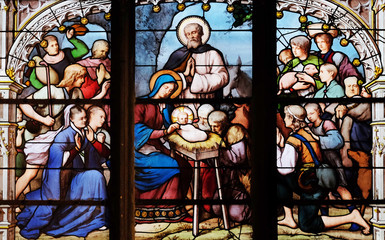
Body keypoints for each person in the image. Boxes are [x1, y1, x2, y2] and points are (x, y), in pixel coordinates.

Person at [17, 105, 108, 238]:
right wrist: (75, 149)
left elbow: (100, 152)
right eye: (81, 118)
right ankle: (30, 230)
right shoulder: (64, 136)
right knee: (49, 206)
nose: (84, 121)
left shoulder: (82, 132)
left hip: (72, 174)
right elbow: (59, 160)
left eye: (85, 118)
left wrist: (94, 141)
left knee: (95, 177)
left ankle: (98, 217)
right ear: (71, 119)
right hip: (56, 176)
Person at [276, 105, 370, 234]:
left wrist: (277, 147)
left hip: (310, 184)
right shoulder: (308, 132)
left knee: (307, 225)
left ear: (292, 119)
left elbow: (285, 169)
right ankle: (288, 218)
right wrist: (283, 147)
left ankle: (352, 217)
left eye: (285, 116)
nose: (283, 118)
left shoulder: (293, 139)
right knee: (279, 178)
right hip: (316, 177)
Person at [134, 70, 192, 222]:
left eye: (171, 90)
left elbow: (170, 126)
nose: (168, 92)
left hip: (156, 147)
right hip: (137, 150)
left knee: (184, 166)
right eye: (166, 88)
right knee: (171, 165)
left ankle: (176, 209)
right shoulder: (141, 104)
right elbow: (137, 131)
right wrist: (164, 131)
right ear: (158, 86)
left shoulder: (166, 107)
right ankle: (158, 210)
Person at [304, 103, 360, 231]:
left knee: (341, 188)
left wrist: (317, 138)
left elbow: (338, 141)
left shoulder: (327, 124)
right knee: (322, 191)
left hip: (332, 162)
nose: (309, 117)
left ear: (319, 112)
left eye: (311, 113)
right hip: (320, 164)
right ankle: (325, 218)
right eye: (307, 115)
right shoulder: (309, 126)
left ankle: (354, 213)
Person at [163, 17, 229, 116]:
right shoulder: (177, 55)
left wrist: (195, 79)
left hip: (206, 102)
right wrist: (184, 77)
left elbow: (222, 77)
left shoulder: (212, 54)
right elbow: (165, 78)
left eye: (194, 32)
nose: (191, 36)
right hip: (182, 103)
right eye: (188, 34)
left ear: (201, 33)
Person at [208, 110, 251, 222]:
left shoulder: (235, 131)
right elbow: (213, 163)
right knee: (217, 208)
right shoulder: (216, 136)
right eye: (211, 126)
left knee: (237, 215)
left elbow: (237, 159)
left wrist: (217, 151)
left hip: (243, 180)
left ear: (224, 124)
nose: (213, 130)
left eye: (216, 126)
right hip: (228, 181)